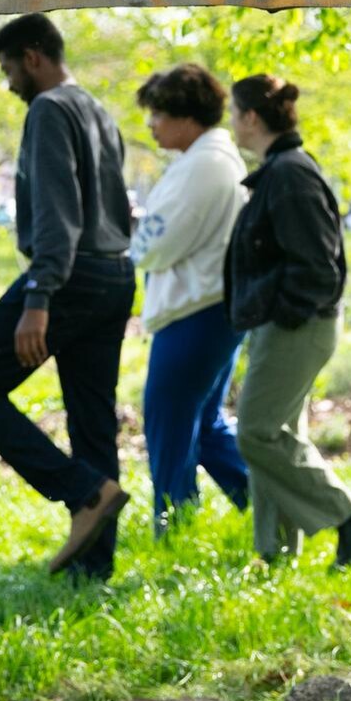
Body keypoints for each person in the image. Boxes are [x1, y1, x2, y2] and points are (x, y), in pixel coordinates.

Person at [0, 15, 136, 579]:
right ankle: (92, 569)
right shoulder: (99, 110)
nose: (8, 84)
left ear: (32, 57)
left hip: (70, 277)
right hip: (116, 275)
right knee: (92, 421)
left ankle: (82, 492)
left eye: (8, 69)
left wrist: (39, 297)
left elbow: (59, 215)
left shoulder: (49, 110)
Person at [225, 75, 351, 567]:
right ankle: (274, 555)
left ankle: (350, 517)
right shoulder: (280, 169)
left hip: (297, 325)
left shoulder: (290, 174)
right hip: (288, 323)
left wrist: (287, 314)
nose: (231, 122)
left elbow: (317, 265)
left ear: (252, 117)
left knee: (257, 433)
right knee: (278, 436)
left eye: (235, 113)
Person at [130, 65, 252, 536]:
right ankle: (270, 510)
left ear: (187, 116)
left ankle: (175, 528)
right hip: (209, 312)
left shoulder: (207, 164)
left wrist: (137, 242)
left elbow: (156, 242)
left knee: (169, 426)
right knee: (204, 425)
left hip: (195, 315)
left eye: (159, 113)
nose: (152, 124)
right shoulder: (206, 159)